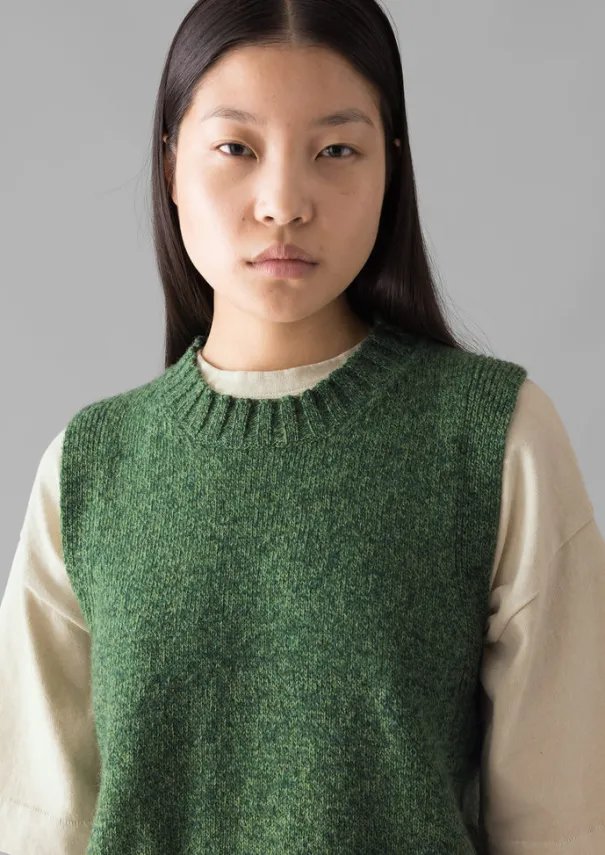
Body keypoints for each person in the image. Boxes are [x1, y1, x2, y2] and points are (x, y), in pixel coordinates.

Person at [1, 0, 605, 853]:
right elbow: (38, 820)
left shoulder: (493, 439)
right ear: (170, 164)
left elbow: (565, 820)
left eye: (335, 151)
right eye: (236, 148)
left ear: (390, 167)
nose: (283, 203)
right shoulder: (91, 467)